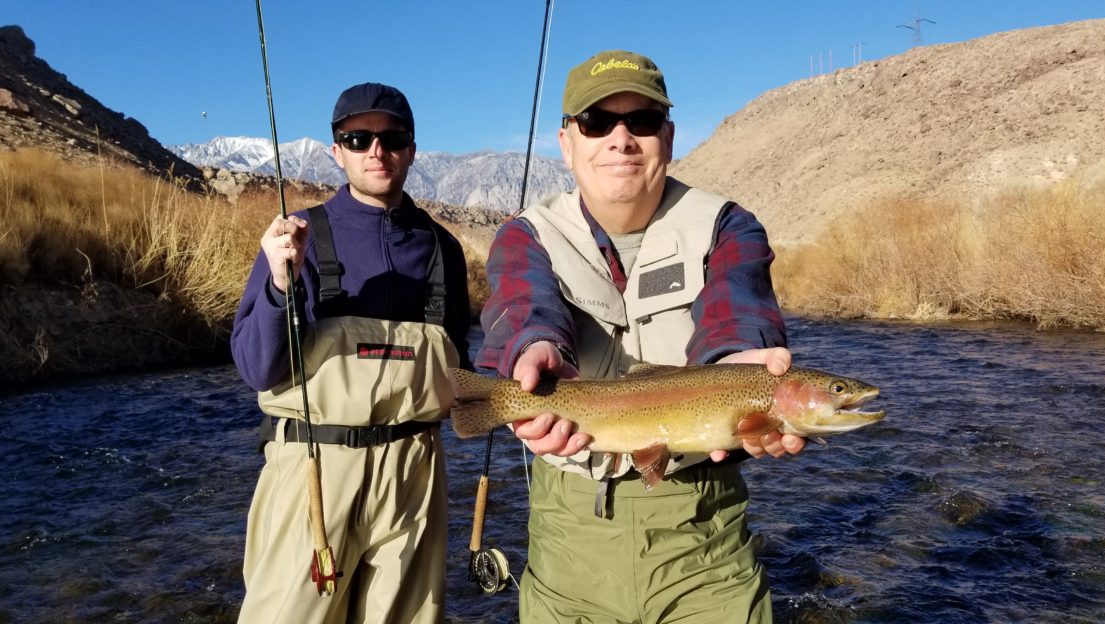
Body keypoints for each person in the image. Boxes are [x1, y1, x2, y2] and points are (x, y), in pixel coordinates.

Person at [476, 50, 805, 622]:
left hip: (706, 543)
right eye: (598, 122)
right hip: (566, 545)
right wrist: (532, 350)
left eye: (643, 122)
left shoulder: (727, 226)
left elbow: (737, 316)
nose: (621, 139)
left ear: (668, 136)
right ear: (567, 142)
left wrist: (742, 370)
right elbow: (524, 307)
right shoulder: (526, 236)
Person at [231, 82, 472, 624]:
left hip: (416, 473)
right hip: (313, 472)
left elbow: (460, 369)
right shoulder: (298, 238)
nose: (376, 151)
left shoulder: (444, 250)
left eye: (392, 137)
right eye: (358, 138)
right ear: (336, 151)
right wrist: (277, 285)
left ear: (411, 149)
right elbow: (256, 367)